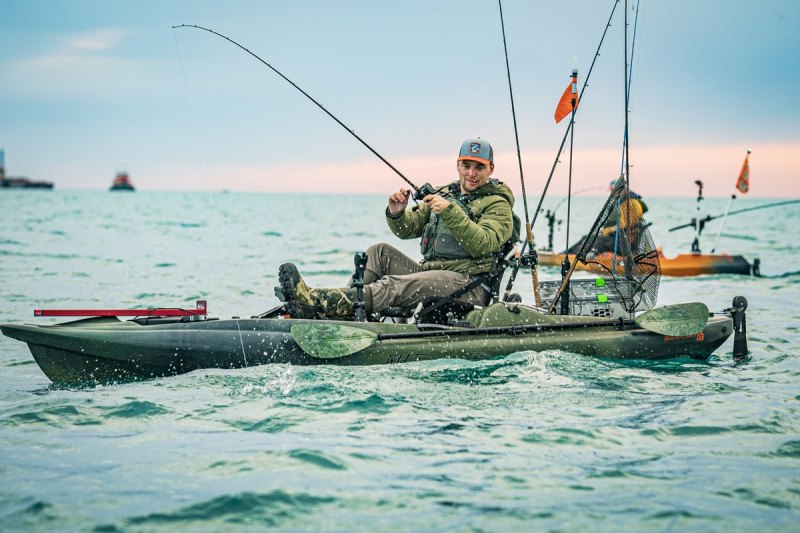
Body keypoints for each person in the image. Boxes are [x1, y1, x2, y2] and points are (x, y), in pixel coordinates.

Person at [275, 138, 519, 319]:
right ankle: (345, 309)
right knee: (378, 252)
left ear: (491, 169)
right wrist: (397, 212)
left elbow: (483, 243)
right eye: (466, 165)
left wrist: (449, 211)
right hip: (432, 273)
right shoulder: (446, 193)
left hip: (470, 285)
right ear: (457, 165)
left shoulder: (498, 204)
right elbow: (407, 229)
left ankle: (317, 301)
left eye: (479, 167)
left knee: (395, 284)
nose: (471, 173)